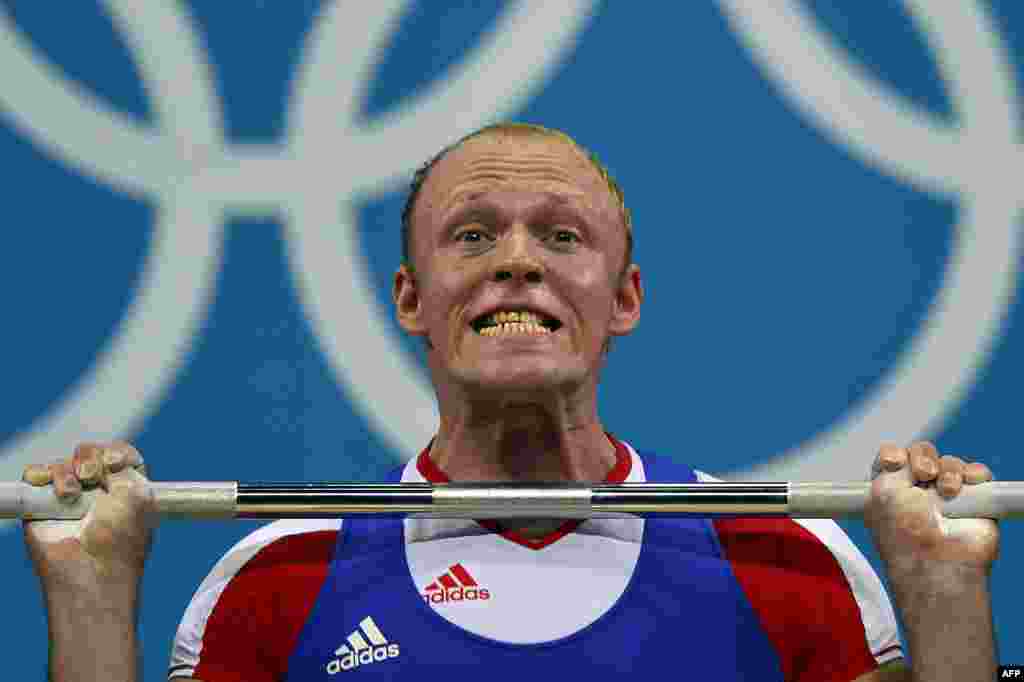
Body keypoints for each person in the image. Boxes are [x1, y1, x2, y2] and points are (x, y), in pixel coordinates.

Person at [22, 123, 999, 681]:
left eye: (562, 237)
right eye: (475, 235)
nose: (518, 263)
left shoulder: (785, 561)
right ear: (411, 299)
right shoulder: (279, 579)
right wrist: (92, 599)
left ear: (624, 299)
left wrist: (947, 602)